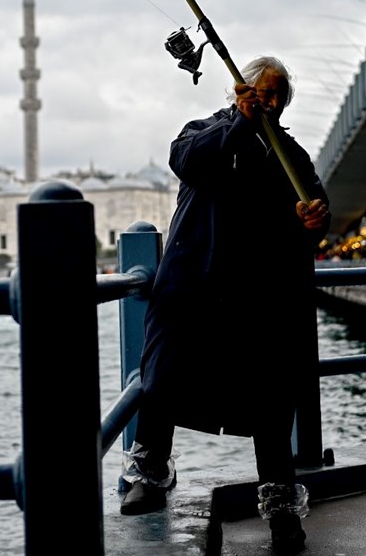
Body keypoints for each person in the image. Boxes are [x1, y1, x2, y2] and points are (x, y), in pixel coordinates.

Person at [119, 55, 330, 553]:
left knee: (270, 404)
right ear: (243, 92)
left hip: (259, 300)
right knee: (164, 378)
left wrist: (315, 222)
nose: (272, 102)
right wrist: (238, 123)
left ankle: (281, 512)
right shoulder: (207, 131)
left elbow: (316, 214)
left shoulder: (293, 157)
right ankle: (149, 474)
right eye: (264, 91)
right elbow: (187, 161)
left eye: (280, 96)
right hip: (193, 288)